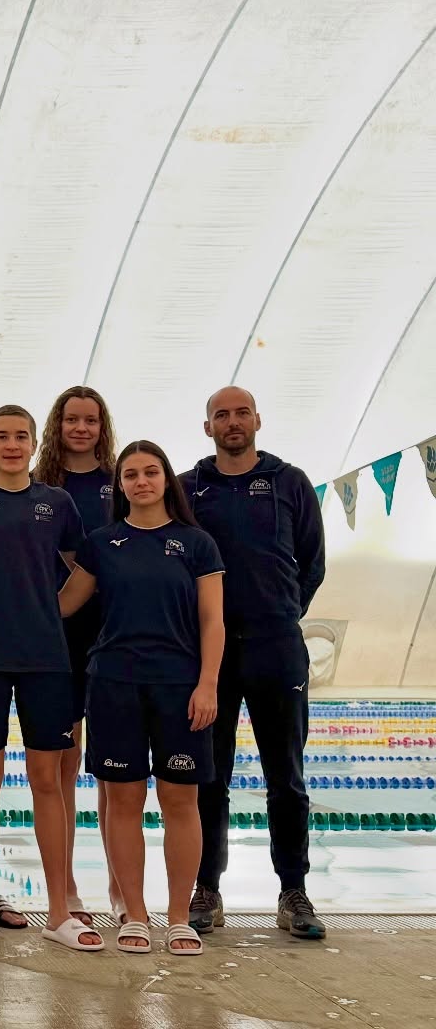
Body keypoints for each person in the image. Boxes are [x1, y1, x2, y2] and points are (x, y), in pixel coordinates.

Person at [0, 405, 102, 953]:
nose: (11, 444)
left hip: (45, 658)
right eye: (1, 436)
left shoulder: (57, 503)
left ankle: (59, 912)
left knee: (47, 780)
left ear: (33, 444)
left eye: (21, 436)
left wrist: (52, 612)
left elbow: (84, 569)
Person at [60, 441, 224, 956]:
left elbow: (212, 620)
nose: (141, 481)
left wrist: (208, 683)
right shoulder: (102, 543)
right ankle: (134, 913)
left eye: (151, 472)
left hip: (179, 685)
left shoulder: (196, 544)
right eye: (131, 474)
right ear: (121, 486)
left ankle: (178, 917)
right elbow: (63, 605)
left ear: (166, 479)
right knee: (124, 801)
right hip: (114, 684)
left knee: (180, 800)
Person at [182, 387, 327, 939]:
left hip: (275, 645)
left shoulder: (290, 482)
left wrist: (281, 611)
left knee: (285, 777)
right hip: (209, 650)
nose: (233, 421)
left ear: (258, 420)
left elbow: (312, 561)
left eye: (241, 412)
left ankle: (293, 890)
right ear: (208, 427)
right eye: (221, 414)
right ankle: (207, 887)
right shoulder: (189, 487)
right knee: (208, 775)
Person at [34, 385, 118, 925]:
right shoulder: (40, 486)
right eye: (72, 420)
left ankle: (120, 885)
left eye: (90, 420)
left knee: (114, 767)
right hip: (56, 631)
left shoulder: (120, 481)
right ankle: (64, 886)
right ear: (57, 425)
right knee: (62, 763)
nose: (81, 429)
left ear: (102, 426)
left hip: (112, 630)